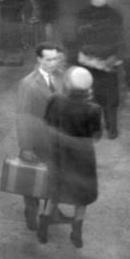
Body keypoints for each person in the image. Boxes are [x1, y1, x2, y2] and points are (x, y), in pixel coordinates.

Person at [39, 66, 103, 248]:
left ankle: (43, 228)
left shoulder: (54, 99)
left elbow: (46, 123)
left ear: (68, 83)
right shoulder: (94, 109)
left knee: (55, 192)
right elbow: (96, 136)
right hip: (83, 158)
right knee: (82, 196)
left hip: (58, 154)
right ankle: (76, 233)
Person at [16, 43, 64, 231]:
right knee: (33, 179)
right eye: (48, 59)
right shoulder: (28, 84)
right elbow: (22, 116)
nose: (53, 63)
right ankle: (31, 210)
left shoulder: (61, 78)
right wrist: (26, 147)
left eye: (55, 59)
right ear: (39, 59)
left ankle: (51, 211)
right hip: (37, 140)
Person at [76, 0, 124, 139]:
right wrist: (84, 56)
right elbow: (78, 38)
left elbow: (120, 38)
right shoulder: (82, 14)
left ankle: (112, 127)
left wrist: (115, 56)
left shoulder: (115, 14)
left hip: (108, 62)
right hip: (88, 62)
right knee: (91, 98)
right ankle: (95, 128)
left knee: (111, 99)